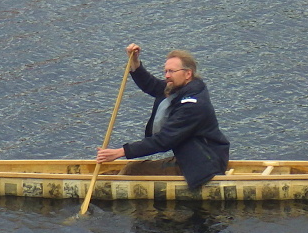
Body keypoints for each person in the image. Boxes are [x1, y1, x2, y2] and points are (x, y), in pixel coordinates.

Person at [96, 43, 230, 189]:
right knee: (132, 168)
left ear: (188, 73)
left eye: (171, 71)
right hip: (197, 157)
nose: (167, 76)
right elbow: (152, 85)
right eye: (165, 71)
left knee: (131, 170)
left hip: (204, 165)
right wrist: (134, 62)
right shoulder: (181, 89)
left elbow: (163, 140)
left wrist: (120, 152)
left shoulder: (192, 105)